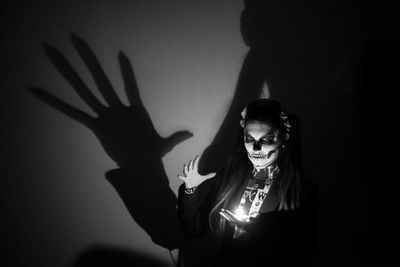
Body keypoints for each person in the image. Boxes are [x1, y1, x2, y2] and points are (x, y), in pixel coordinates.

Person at [177, 98, 318, 267]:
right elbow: (194, 228)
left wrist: (258, 232)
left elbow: (301, 255)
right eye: (249, 139)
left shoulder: (303, 191)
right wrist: (190, 190)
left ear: (284, 139)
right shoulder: (231, 177)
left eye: (266, 140)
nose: (255, 148)